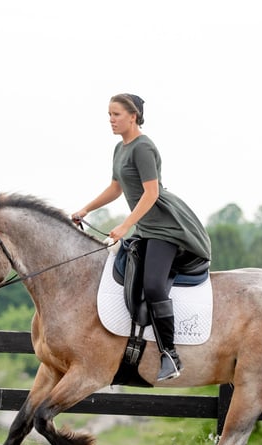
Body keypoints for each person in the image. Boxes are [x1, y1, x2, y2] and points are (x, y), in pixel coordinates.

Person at [71, 93, 211, 382]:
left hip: (166, 228)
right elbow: (116, 188)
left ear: (133, 116)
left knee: (154, 285)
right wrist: (87, 207)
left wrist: (124, 227)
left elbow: (151, 193)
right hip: (147, 229)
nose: (111, 120)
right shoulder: (119, 149)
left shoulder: (143, 147)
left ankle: (170, 355)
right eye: (109, 115)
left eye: (117, 114)